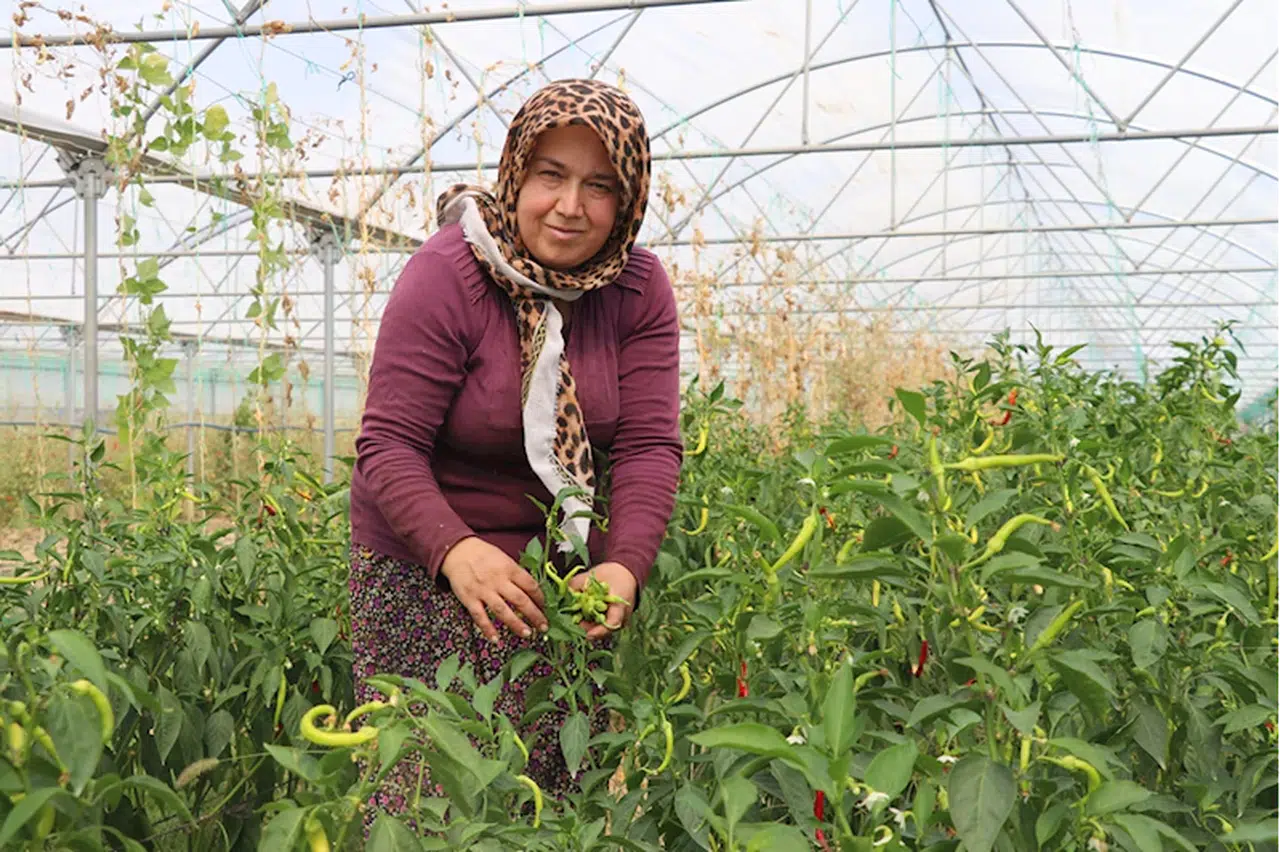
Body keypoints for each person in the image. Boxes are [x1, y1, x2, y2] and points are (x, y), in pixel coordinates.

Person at [345, 78, 684, 822]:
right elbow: (388, 445)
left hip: (559, 582)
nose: (570, 206)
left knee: (548, 792)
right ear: (517, 174)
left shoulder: (637, 290)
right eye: (551, 175)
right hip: (422, 567)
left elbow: (648, 446)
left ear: (628, 200)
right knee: (428, 796)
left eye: (600, 186)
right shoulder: (449, 273)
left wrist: (624, 566)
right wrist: (455, 551)